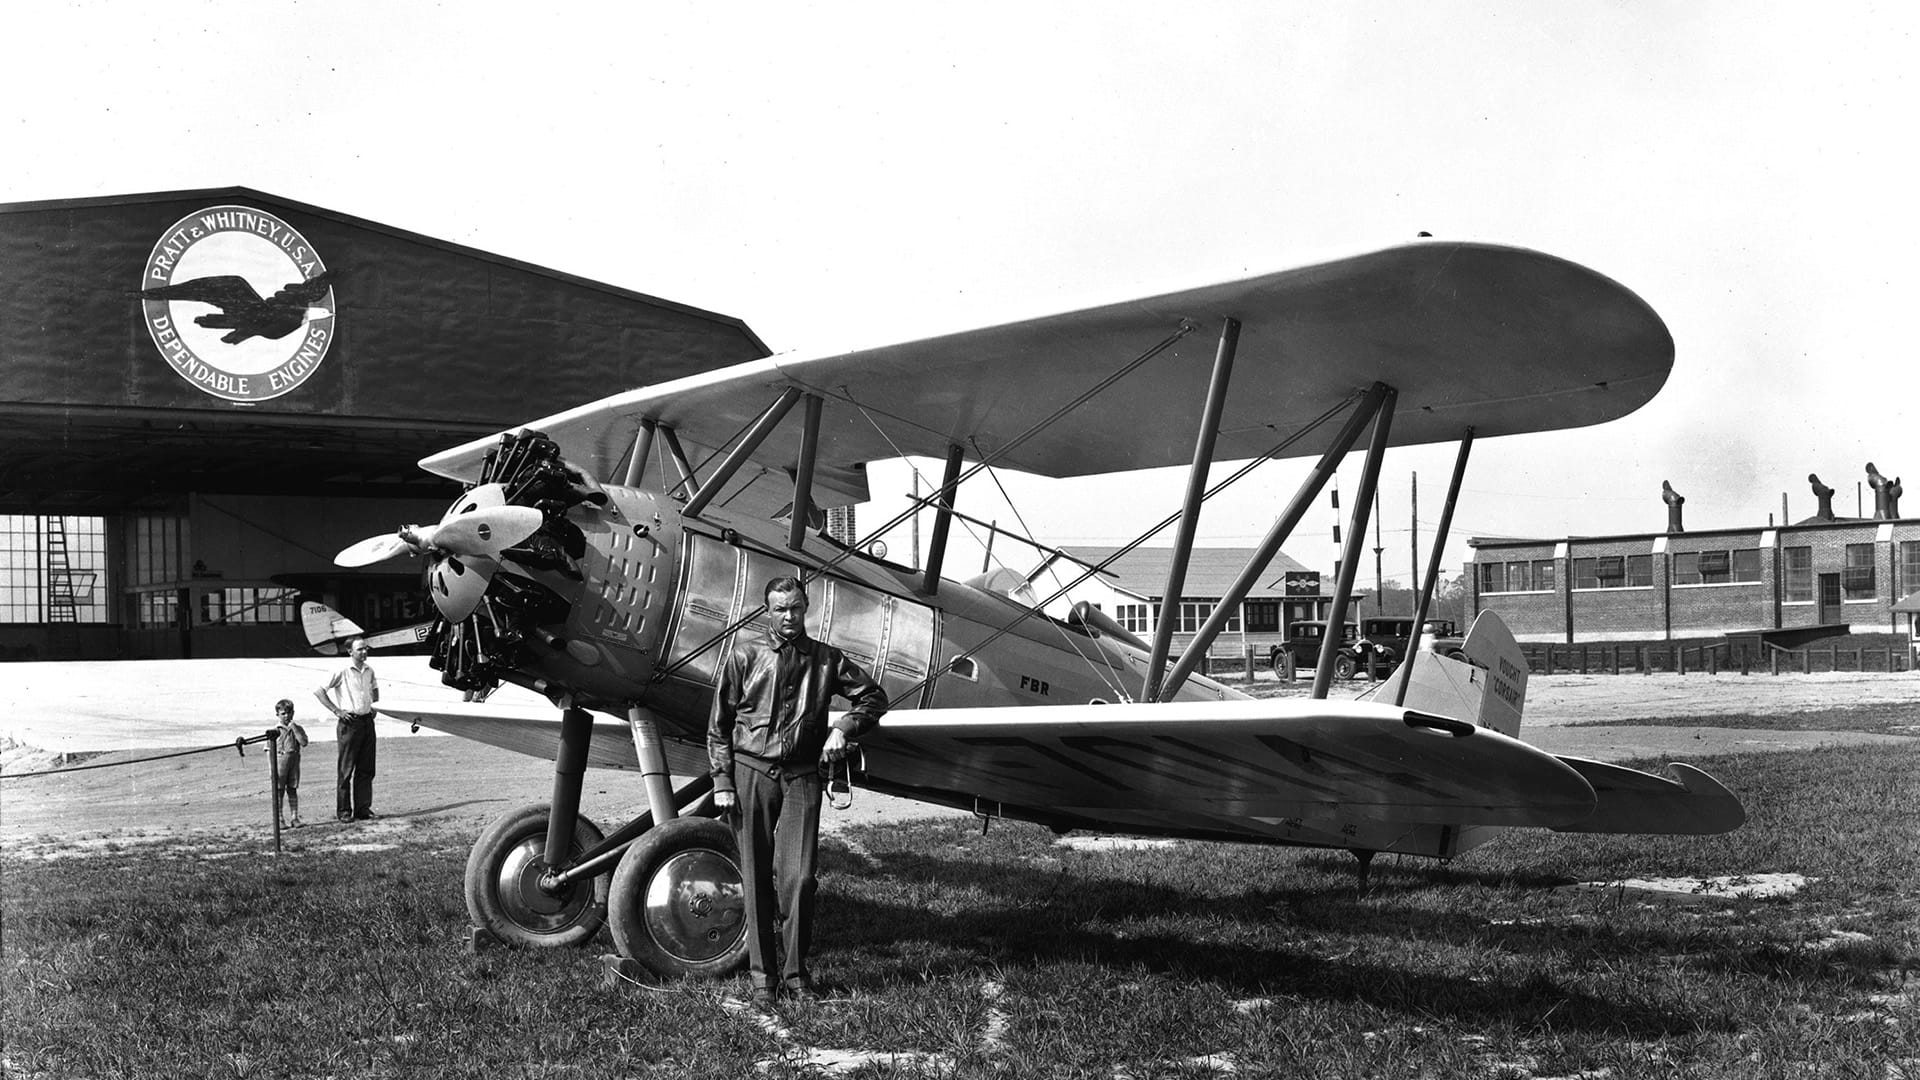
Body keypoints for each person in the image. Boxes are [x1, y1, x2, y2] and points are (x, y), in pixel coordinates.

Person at [708, 576, 887, 1008]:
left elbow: (874, 698)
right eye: (779, 609)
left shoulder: (826, 660)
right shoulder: (744, 655)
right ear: (767, 611)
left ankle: (796, 975)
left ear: (806, 609)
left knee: (800, 879)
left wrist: (843, 728)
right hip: (751, 774)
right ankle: (762, 981)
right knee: (755, 879)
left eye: (796, 608)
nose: (788, 617)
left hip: (802, 777)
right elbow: (718, 726)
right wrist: (723, 782)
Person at [315, 638, 379, 822]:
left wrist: (374, 707)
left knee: (366, 769)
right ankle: (344, 811)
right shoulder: (341, 670)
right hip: (349, 723)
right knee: (346, 769)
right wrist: (337, 711)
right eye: (359, 649)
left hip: (367, 722)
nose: (364, 652)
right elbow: (319, 691)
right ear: (350, 652)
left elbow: (375, 689)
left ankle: (363, 809)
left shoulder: (369, 670)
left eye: (365, 648)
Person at [270, 698, 310, 827]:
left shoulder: (297, 728)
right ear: (277, 715)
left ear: (293, 713)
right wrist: (271, 768)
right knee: (279, 790)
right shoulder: (274, 730)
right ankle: (280, 819)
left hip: (294, 762)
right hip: (279, 763)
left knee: (292, 789)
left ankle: (294, 818)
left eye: (289, 712)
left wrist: (295, 728)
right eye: (283, 713)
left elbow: (303, 743)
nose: (286, 716)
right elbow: (268, 750)